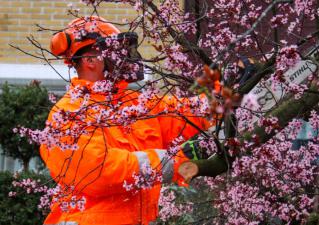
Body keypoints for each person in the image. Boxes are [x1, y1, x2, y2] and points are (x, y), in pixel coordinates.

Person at [40, 16, 210, 225]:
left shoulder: (135, 104)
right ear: (90, 60)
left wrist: (228, 93)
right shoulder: (69, 114)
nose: (124, 58)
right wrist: (169, 162)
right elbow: (99, 172)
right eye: (114, 51)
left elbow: (188, 113)